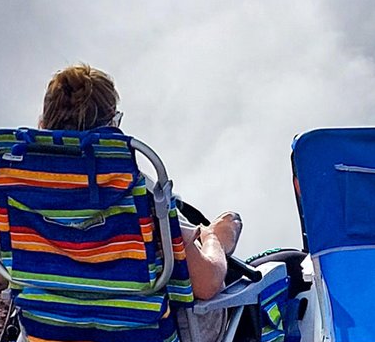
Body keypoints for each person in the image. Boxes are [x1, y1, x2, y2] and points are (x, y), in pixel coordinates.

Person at [37, 63, 242, 303]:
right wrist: (214, 238)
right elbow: (206, 284)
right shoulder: (137, 194)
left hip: (49, 335)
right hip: (139, 336)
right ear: (111, 127)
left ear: (43, 125)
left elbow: (3, 271)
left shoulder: (18, 191)